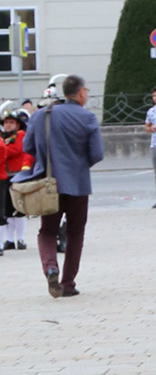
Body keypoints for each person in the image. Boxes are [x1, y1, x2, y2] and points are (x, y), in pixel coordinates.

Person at [22, 77, 103, 298]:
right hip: (78, 184)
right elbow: (97, 153)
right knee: (75, 233)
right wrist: (78, 165)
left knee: (47, 231)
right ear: (80, 93)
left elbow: (27, 146)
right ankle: (68, 283)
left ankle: (50, 268)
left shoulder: (40, 116)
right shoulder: (87, 117)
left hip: (48, 184)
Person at [0, 109, 25, 249]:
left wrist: (3, 148)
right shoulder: (3, 136)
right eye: (6, 122)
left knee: (19, 207)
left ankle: (20, 239)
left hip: (17, 174)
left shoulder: (20, 135)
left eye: (11, 122)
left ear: (17, 125)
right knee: (7, 208)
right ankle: (9, 240)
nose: (8, 125)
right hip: (5, 175)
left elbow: (14, 150)